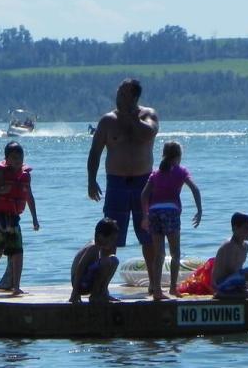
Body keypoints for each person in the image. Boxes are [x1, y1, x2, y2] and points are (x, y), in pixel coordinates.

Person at [87, 78, 160, 293]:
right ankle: (103, 286)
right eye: (118, 94)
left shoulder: (148, 115)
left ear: (134, 97)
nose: (118, 98)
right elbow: (95, 153)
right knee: (109, 234)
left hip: (143, 183)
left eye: (123, 94)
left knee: (148, 235)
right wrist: (91, 180)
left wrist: (130, 116)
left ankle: (154, 283)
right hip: (116, 183)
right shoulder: (108, 121)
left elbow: (148, 133)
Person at [140, 141, 202, 300]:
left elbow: (144, 195)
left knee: (159, 254)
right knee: (175, 253)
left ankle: (158, 290)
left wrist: (145, 215)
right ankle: (173, 288)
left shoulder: (155, 173)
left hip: (154, 212)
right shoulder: (181, 171)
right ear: (178, 157)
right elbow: (195, 189)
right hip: (171, 212)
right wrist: (199, 210)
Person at [0, 140, 39, 297]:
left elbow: (29, 197)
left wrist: (34, 218)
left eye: (20, 157)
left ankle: (16, 286)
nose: (17, 161)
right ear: (6, 159)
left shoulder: (25, 176)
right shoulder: (1, 173)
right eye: (13, 158)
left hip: (13, 217)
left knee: (18, 252)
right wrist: (0, 190)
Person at [69, 218, 121, 304]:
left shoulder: (101, 247)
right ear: (100, 236)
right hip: (81, 285)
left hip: (87, 281)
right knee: (106, 262)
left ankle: (103, 292)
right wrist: (75, 293)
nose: (112, 242)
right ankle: (95, 295)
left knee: (114, 260)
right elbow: (80, 268)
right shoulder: (93, 247)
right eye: (111, 239)